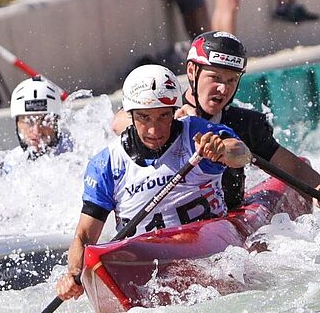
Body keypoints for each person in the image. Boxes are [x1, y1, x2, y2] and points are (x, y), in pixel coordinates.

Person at [56, 64, 251, 300]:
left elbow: (241, 154)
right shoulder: (107, 164)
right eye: (144, 117)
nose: (154, 129)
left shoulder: (195, 134)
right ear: (130, 115)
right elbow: (84, 237)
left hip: (213, 254)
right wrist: (74, 273)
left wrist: (220, 149)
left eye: (163, 116)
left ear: (173, 112)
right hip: (146, 263)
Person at [112, 31, 320, 215]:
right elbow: (119, 121)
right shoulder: (165, 108)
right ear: (192, 71)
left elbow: (291, 166)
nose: (223, 89)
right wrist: (167, 124)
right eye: (215, 78)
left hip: (222, 220)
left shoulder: (245, 124)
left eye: (231, 80)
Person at [0, 76, 73, 244]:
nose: (36, 131)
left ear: (57, 121)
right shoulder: (11, 162)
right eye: (28, 121)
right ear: (17, 123)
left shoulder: (77, 154)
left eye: (44, 120)